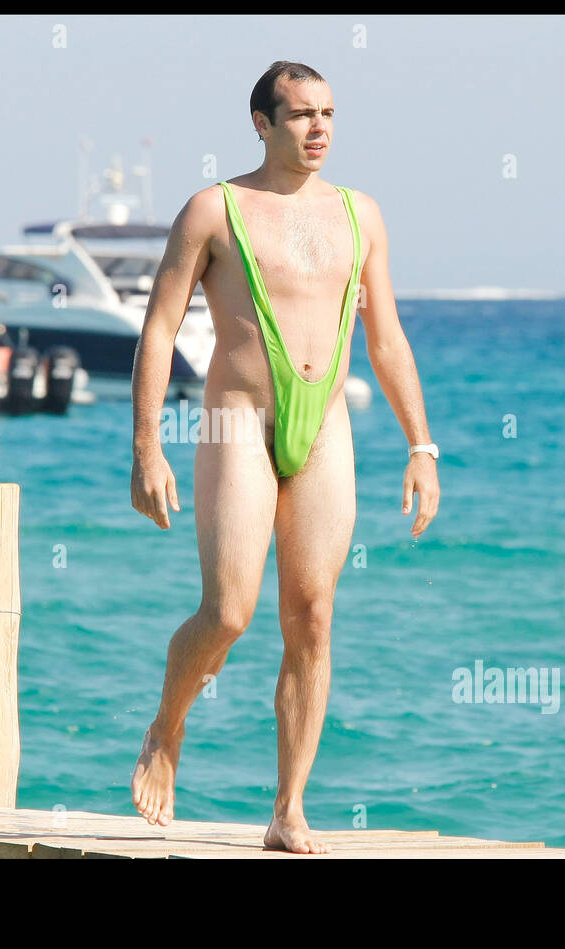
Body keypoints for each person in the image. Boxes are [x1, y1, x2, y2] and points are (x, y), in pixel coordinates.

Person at [129, 62, 441, 853]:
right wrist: (145, 449)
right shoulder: (214, 210)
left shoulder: (360, 214)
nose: (318, 129)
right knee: (229, 611)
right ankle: (167, 728)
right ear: (262, 123)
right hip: (236, 421)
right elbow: (160, 329)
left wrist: (421, 444)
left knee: (313, 615)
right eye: (300, 114)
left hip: (325, 423)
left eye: (328, 113)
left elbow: (387, 338)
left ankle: (288, 810)